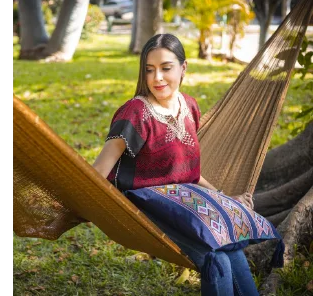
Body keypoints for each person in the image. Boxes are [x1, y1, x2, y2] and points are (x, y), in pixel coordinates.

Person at [90, 33, 258, 296]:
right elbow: (98, 173)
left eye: (166, 68)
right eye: (149, 70)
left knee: (230, 245)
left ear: (184, 67)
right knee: (215, 257)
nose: (157, 78)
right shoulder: (136, 113)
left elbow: (189, 174)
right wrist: (78, 201)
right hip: (144, 208)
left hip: (186, 202)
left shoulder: (189, 106)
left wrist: (224, 199)